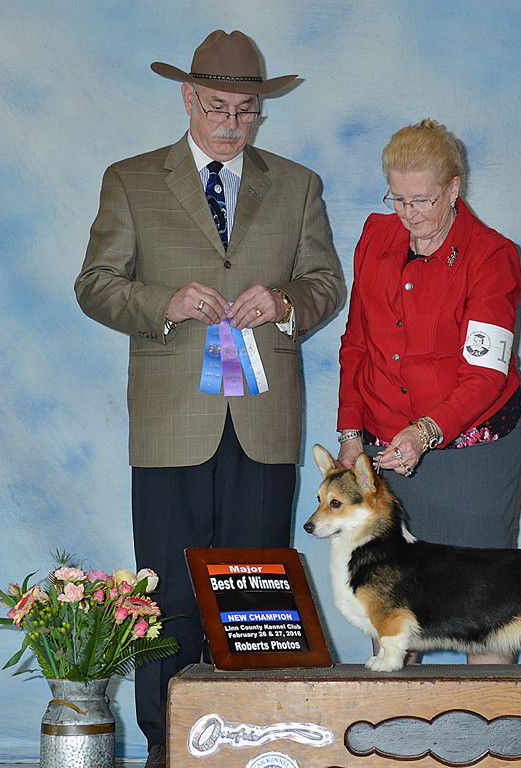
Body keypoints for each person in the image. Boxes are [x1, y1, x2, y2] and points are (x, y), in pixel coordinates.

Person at [74, 30, 344, 768]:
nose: (232, 121)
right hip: (170, 427)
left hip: (263, 422)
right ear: (188, 98)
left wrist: (284, 303)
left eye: (247, 110)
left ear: (262, 110)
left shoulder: (298, 186)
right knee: (165, 597)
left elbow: (327, 287)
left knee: (257, 596)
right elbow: (94, 284)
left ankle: (258, 748)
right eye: (219, 105)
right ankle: (170, 747)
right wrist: (165, 302)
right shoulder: (130, 180)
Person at [336, 118, 521, 665]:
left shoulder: (493, 257)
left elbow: (487, 375)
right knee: (388, 608)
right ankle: (391, 745)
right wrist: (352, 433)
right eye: (397, 199)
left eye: (421, 200)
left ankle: (493, 743)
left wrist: (425, 431)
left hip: (473, 455)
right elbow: (357, 342)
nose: (408, 215)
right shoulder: (375, 237)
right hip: (384, 451)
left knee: (484, 613)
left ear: (453, 190)